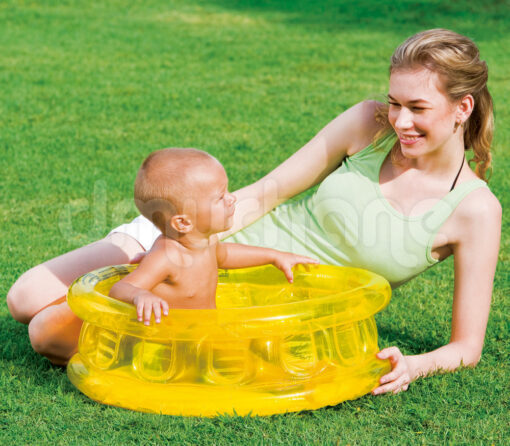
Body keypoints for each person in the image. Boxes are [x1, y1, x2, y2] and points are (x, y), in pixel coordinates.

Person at [7, 29, 501, 395]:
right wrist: (184, 242)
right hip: (203, 238)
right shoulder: (369, 125)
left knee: (47, 330)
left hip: (257, 308)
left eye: (417, 107)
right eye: (395, 103)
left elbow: (466, 347)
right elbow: (268, 190)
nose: (400, 120)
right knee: (26, 298)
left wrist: (414, 365)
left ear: (463, 108)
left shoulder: (475, 209)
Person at [108, 147, 317, 323]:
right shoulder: (166, 257)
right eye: (220, 197)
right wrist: (139, 295)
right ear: (183, 222)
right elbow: (120, 288)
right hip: (176, 341)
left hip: (207, 330)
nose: (232, 199)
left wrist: (273, 256)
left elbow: (225, 255)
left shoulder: (205, 241)